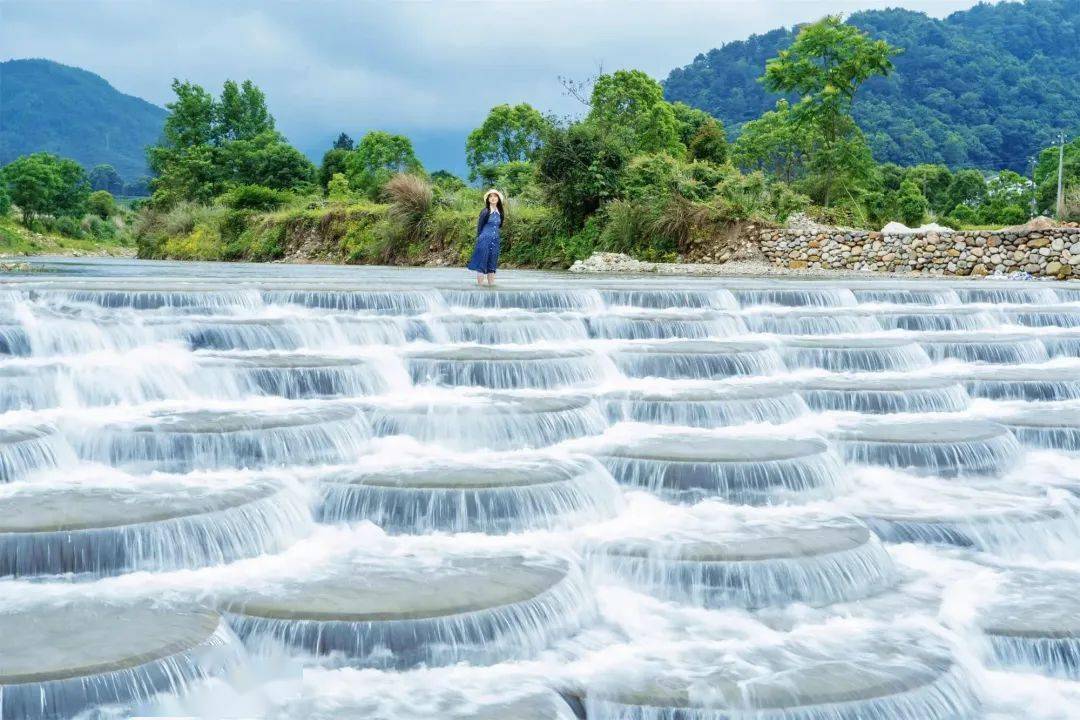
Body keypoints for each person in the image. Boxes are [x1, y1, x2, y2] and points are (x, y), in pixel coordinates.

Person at [467, 189, 504, 286]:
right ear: (488, 199)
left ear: (498, 199)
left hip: (495, 241)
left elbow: (499, 226)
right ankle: (480, 290)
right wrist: (480, 240)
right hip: (484, 241)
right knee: (482, 265)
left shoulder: (500, 212)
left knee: (492, 267)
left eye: (495, 196)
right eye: (490, 196)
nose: (493, 198)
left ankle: (491, 289)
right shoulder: (485, 211)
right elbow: (479, 227)